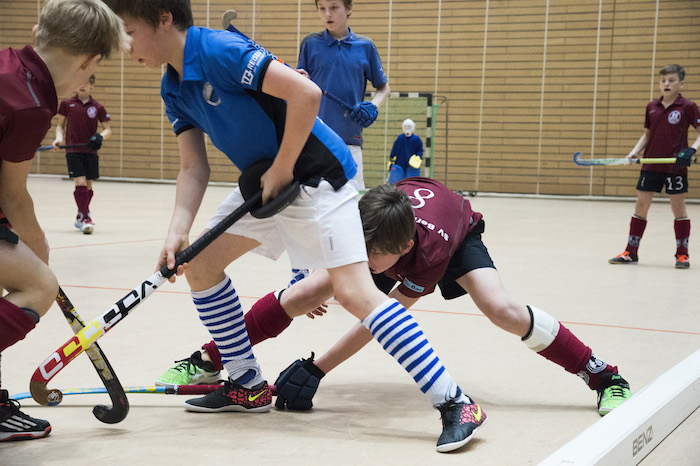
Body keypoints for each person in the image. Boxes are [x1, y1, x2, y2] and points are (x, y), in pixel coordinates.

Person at [107, 0, 482, 453]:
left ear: (164, 19)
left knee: (355, 293)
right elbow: (193, 167)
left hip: (317, 174)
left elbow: (306, 93)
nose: (124, 45)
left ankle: (456, 402)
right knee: (202, 265)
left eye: (129, 30)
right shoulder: (173, 88)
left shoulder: (219, 50)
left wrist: (283, 168)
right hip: (267, 182)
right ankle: (247, 384)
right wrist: (176, 230)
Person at [165, 178, 632, 451]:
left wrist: (317, 368)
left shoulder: (425, 255)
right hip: (400, 222)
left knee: (501, 308)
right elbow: (342, 255)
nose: (363, 264)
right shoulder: (365, 227)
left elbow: (379, 322)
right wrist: (317, 274)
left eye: (373, 260)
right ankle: (212, 358)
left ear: (403, 249)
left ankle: (602, 375)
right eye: (360, 252)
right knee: (304, 292)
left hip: (456, 235)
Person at [0, 0, 127, 441]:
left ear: (37, 33)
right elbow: (12, 194)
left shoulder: (7, 64)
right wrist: (40, 254)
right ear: (91, 61)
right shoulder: (33, 104)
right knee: (38, 283)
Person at [609, 64, 700, 269]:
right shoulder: (652, 106)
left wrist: (691, 150)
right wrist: (634, 152)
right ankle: (630, 252)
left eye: (672, 80)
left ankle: (682, 254)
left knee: (678, 207)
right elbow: (647, 135)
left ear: (681, 83)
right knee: (641, 206)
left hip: (675, 166)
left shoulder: (688, 106)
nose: (667, 84)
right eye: (663, 80)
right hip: (651, 164)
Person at [297, 0, 391, 191]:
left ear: (348, 8)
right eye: (322, 8)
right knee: (314, 201)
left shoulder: (365, 46)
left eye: (333, 7)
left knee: (354, 202)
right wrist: (299, 80)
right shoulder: (310, 43)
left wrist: (373, 106)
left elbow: (384, 88)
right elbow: (300, 87)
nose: (327, 14)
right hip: (316, 141)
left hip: (350, 142)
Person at [51, 73, 112, 234]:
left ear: (92, 86)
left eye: (86, 83)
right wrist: (58, 139)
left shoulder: (97, 107)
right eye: (80, 82)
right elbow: (60, 126)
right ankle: (86, 218)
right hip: (73, 150)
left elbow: (107, 129)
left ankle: (80, 214)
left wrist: (100, 136)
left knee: (88, 185)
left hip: (90, 151)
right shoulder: (67, 104)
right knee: (80, 182)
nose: (82, 85)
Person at [388, 118, 423, 183]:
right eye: (405, 127)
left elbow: (419, 150)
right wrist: (392, 160)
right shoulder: (400, 138)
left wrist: (418, 157)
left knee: (411, 183)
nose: (407, 128)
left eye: (409, 127)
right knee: (397, 183)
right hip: (399, 163)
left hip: (411, 165)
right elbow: (394, 150)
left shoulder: (416, 139)